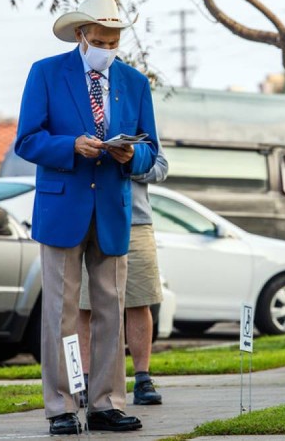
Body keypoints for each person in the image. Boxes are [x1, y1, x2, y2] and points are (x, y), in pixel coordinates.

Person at [14, 0, 157, 434]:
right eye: (99, 40)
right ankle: (60, 407)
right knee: (60, 311)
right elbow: (27, 140)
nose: (107, 48)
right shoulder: (45, 73)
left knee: (112, 308)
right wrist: (70, 145)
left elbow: (150, 149)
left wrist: (130, 156)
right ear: (81, 34)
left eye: (113, 41)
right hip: (62, 208)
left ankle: (106, 404)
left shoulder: (135, 82)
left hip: (114, 208)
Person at [78, 144, 169, 406]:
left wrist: (130, 161)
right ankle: (86, 380)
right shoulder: (80, 122)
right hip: (91, 219)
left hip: (135, 221)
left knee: (140, 300)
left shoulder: (137, 122)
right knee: (85, 305)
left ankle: (142, 379)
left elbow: (161, 167)